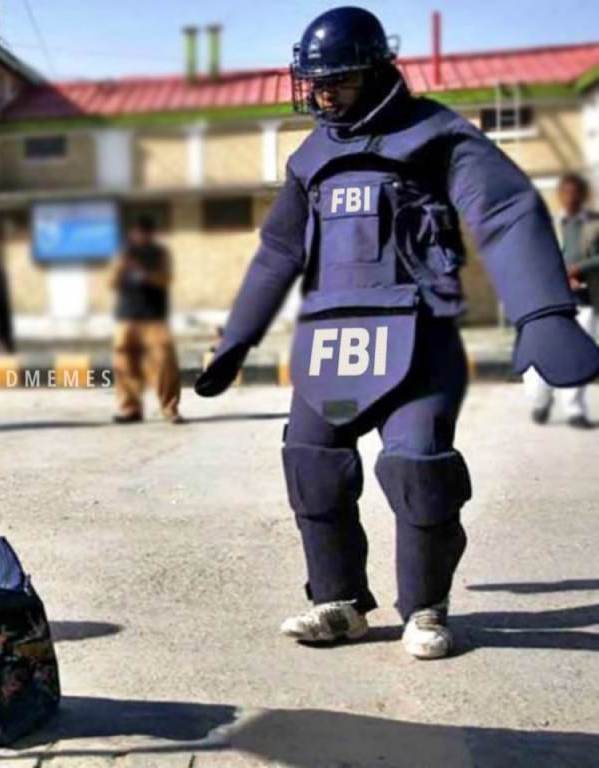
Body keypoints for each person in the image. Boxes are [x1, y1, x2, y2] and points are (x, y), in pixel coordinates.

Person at [195, 7, 599, 660]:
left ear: (379, 71)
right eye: (316, 83)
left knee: (419, 470)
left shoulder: (435, 134)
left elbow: (502, 210)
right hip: (331, 339)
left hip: (420, 336)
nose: (325, 96)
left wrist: (543, 311)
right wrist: (237, 338)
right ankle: (339, 604)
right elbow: (279, 250)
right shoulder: (310, 158)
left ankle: (426, 608)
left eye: (340, 81)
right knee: (312, 465)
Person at [523, 173, 599, 428]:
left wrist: (578, 269)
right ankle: (541, 402)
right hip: (550, 301)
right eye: (566, 193)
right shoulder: (548, 224)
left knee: (578, 357)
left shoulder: (595, 223)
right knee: (546, 353)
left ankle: (574, 410)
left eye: (576, 192)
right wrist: (560, 275)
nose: (571, 198)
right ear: (560, 195)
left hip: (585, 298)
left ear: (584, 195)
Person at [109, 215, 182, 424]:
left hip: (154, 318)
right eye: (137, 233)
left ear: (150, 234)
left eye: (144, 233)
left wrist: (144, 274)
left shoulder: (160, 254)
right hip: (127, 317)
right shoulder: (124, 254)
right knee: (125, 363)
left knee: (165, 363)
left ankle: (169, 409)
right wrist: (123, 266)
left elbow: (165, 279)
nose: (139, 237)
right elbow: (112, 281)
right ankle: (130, 409)